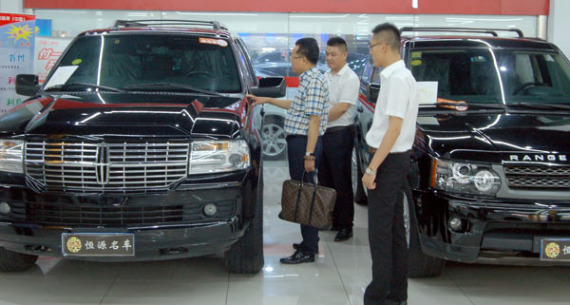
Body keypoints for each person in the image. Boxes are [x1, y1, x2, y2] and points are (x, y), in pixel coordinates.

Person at [247, 37, 329, 264]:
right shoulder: (310, 79)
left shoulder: (313, 81)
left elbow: (314, 121)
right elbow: (298, 107)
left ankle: (309, 248)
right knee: (303, 190)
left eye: (292, 56)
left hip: (305, 143)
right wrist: (266, 100)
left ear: (303, 58)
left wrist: (309, 154)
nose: (290, 60)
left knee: (305, 194)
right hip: (302, 142)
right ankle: (307, 241)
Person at [361, 23, 418, 305]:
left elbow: (393, 129)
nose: (370, 52)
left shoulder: (396, 78)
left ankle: (377, 295)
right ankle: (397, 294)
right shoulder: (400, 76)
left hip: (388, 160)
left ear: (384, 46)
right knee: (395, 231)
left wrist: (372, 168)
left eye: (371, 46)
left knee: (380, 233)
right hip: (395, 160)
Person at [318, 37, 360, 242]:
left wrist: (316, 117)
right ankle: (331, 219)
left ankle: (346, 225)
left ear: (344, 55)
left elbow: (341, 108)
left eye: (333, 54)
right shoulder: (326, 75)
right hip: (324, 133)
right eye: (327, 54)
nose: (329, 58)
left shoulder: (350, 78)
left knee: (341, 180)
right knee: (325, 179)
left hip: (340, 134)